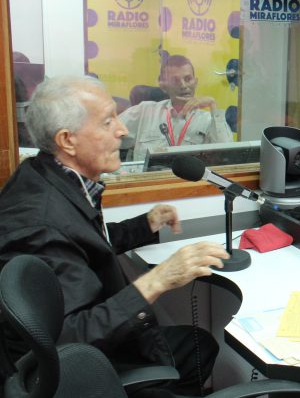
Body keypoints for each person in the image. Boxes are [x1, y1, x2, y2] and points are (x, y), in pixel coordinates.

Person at [0, 75, 230, 394]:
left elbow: (81, 242)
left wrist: (145, 225)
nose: (122, 130)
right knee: (194, 350)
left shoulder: (48, 175)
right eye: (108, 122)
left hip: (97, 345)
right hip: (83, 369)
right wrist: (158, 279)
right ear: (67, 140)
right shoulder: (39, 223)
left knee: (199, 346)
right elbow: (68, 341)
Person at [120, 54, 233, 161]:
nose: (183, 86)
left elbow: (227, 156)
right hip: (151, 175)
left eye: (188, 79)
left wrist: (213, 106)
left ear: (196, 82)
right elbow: (111, 135)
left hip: (189, 175)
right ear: (163, 87)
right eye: (175, 80)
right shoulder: (145, 111)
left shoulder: (208, 120)